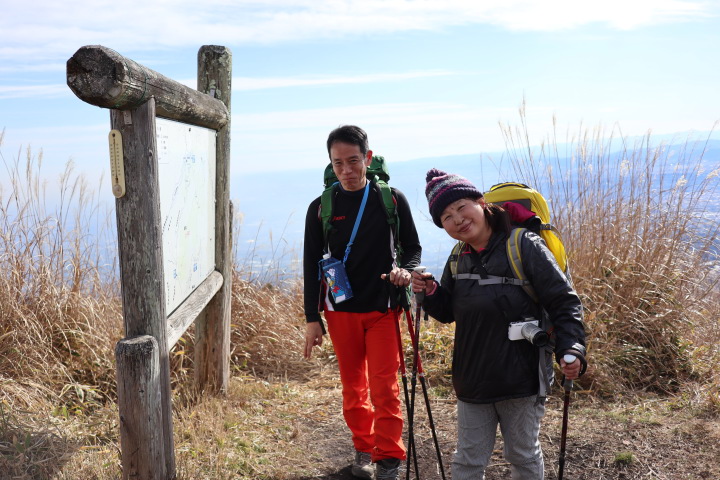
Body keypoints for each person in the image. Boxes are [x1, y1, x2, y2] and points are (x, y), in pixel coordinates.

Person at [410, 169, 587, 480]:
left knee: (521, 454)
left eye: (461, 207)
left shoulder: (523, 244)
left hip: (522, 376)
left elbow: (564, 301)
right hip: (473, 377)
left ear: (481, 202)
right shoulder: (458, 256)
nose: (458, 220)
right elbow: (450, 311)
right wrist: (432, 291)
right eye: (447, 217)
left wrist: (571, 347)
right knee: (467, 460)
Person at [303, 125, 422, 480]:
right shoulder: (321, 207)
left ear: (367, 158)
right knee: (354, 388)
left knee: (384, 387)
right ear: (330, 164)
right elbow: (311, 264)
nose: (346, 170)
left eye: (353, 161)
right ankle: (363, 451)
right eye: (338, 163)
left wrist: (405, 270)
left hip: (384, 309)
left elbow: (412, 248)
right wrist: (313, 318)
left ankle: (389, 459)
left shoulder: (391, 199)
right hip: (340, 313)